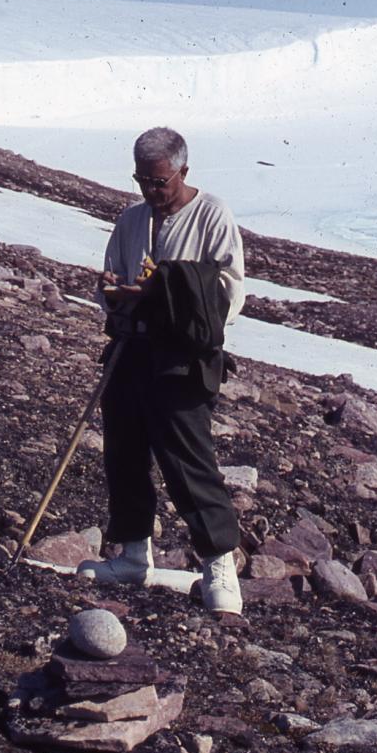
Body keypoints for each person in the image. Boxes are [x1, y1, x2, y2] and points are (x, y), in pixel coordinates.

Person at [77, 126, 246, 614]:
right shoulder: (132, 220)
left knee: (188, 462)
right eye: (143, 182)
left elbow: (229, 295)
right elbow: (114, 274)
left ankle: (219, 571)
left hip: (182, 359)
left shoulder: (212, 214)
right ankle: (132, 555)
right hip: (131, 350)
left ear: (183, 172)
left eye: (161, 182)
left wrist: (160, 291)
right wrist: (111, 290)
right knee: (124, 452)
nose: (152, 192)